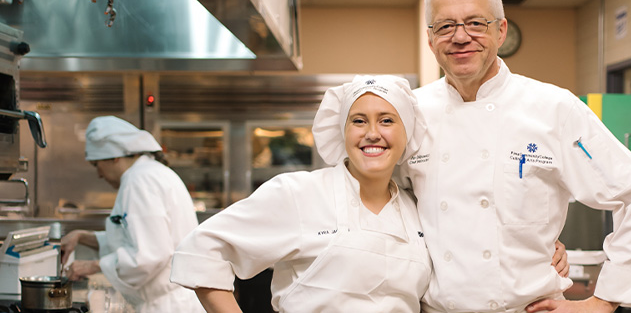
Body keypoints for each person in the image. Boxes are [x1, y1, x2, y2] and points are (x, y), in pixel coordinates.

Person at [400, 0, 631, 312]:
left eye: (475, 23)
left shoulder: (553, 109)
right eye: (445, 26)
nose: (460, 36)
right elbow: (383, 207)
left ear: (500, 31)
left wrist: (603, 302)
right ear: (430, 38)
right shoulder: (410, 113)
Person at [170, 75, 434, 312]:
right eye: (359, 121)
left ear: (407, 131)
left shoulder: (415, 209)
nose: (372, 133)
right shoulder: (299, 193)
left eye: (387, 120)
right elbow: (201, 250)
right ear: (343, 132)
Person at [59, 116, 203, 313]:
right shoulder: (152, 173)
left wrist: (92, 265)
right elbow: (138, 239)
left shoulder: (139, 181)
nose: (99, 174)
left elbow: (150, 254)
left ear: (114, 156)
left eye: (96, 165)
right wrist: (82, 237)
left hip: (166, 306)